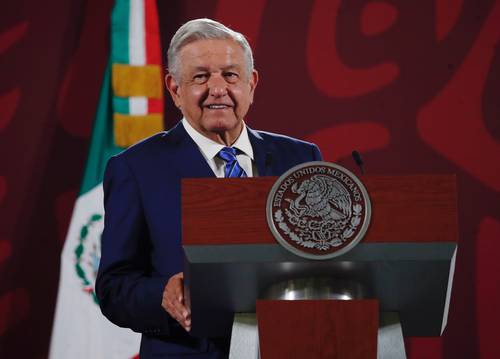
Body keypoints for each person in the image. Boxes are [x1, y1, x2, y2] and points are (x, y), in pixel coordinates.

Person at [96, 18, 322, 358]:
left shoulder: (302, 158)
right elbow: (114, 287)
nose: (218, 89)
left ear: (252, 83)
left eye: (230, 75)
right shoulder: (136, 169)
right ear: (174, 88)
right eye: (201, 77)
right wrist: (162, 294)